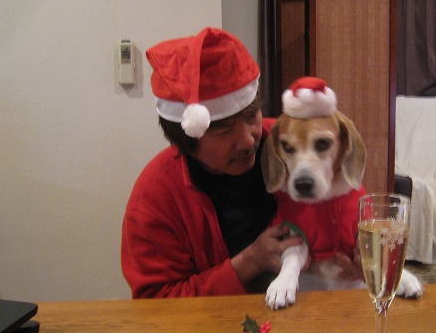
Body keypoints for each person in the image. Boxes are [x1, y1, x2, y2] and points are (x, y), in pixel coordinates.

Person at [121, 27, 308, 298]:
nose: (248, 140)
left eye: (252, 116)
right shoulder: (155, 197)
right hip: (218, 324)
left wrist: (351, 248)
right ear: (185, 139)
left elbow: (345, 200)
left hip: (310, 306)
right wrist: (250, 261)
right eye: (224, 132)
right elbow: (157, 302)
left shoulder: (288, 143)